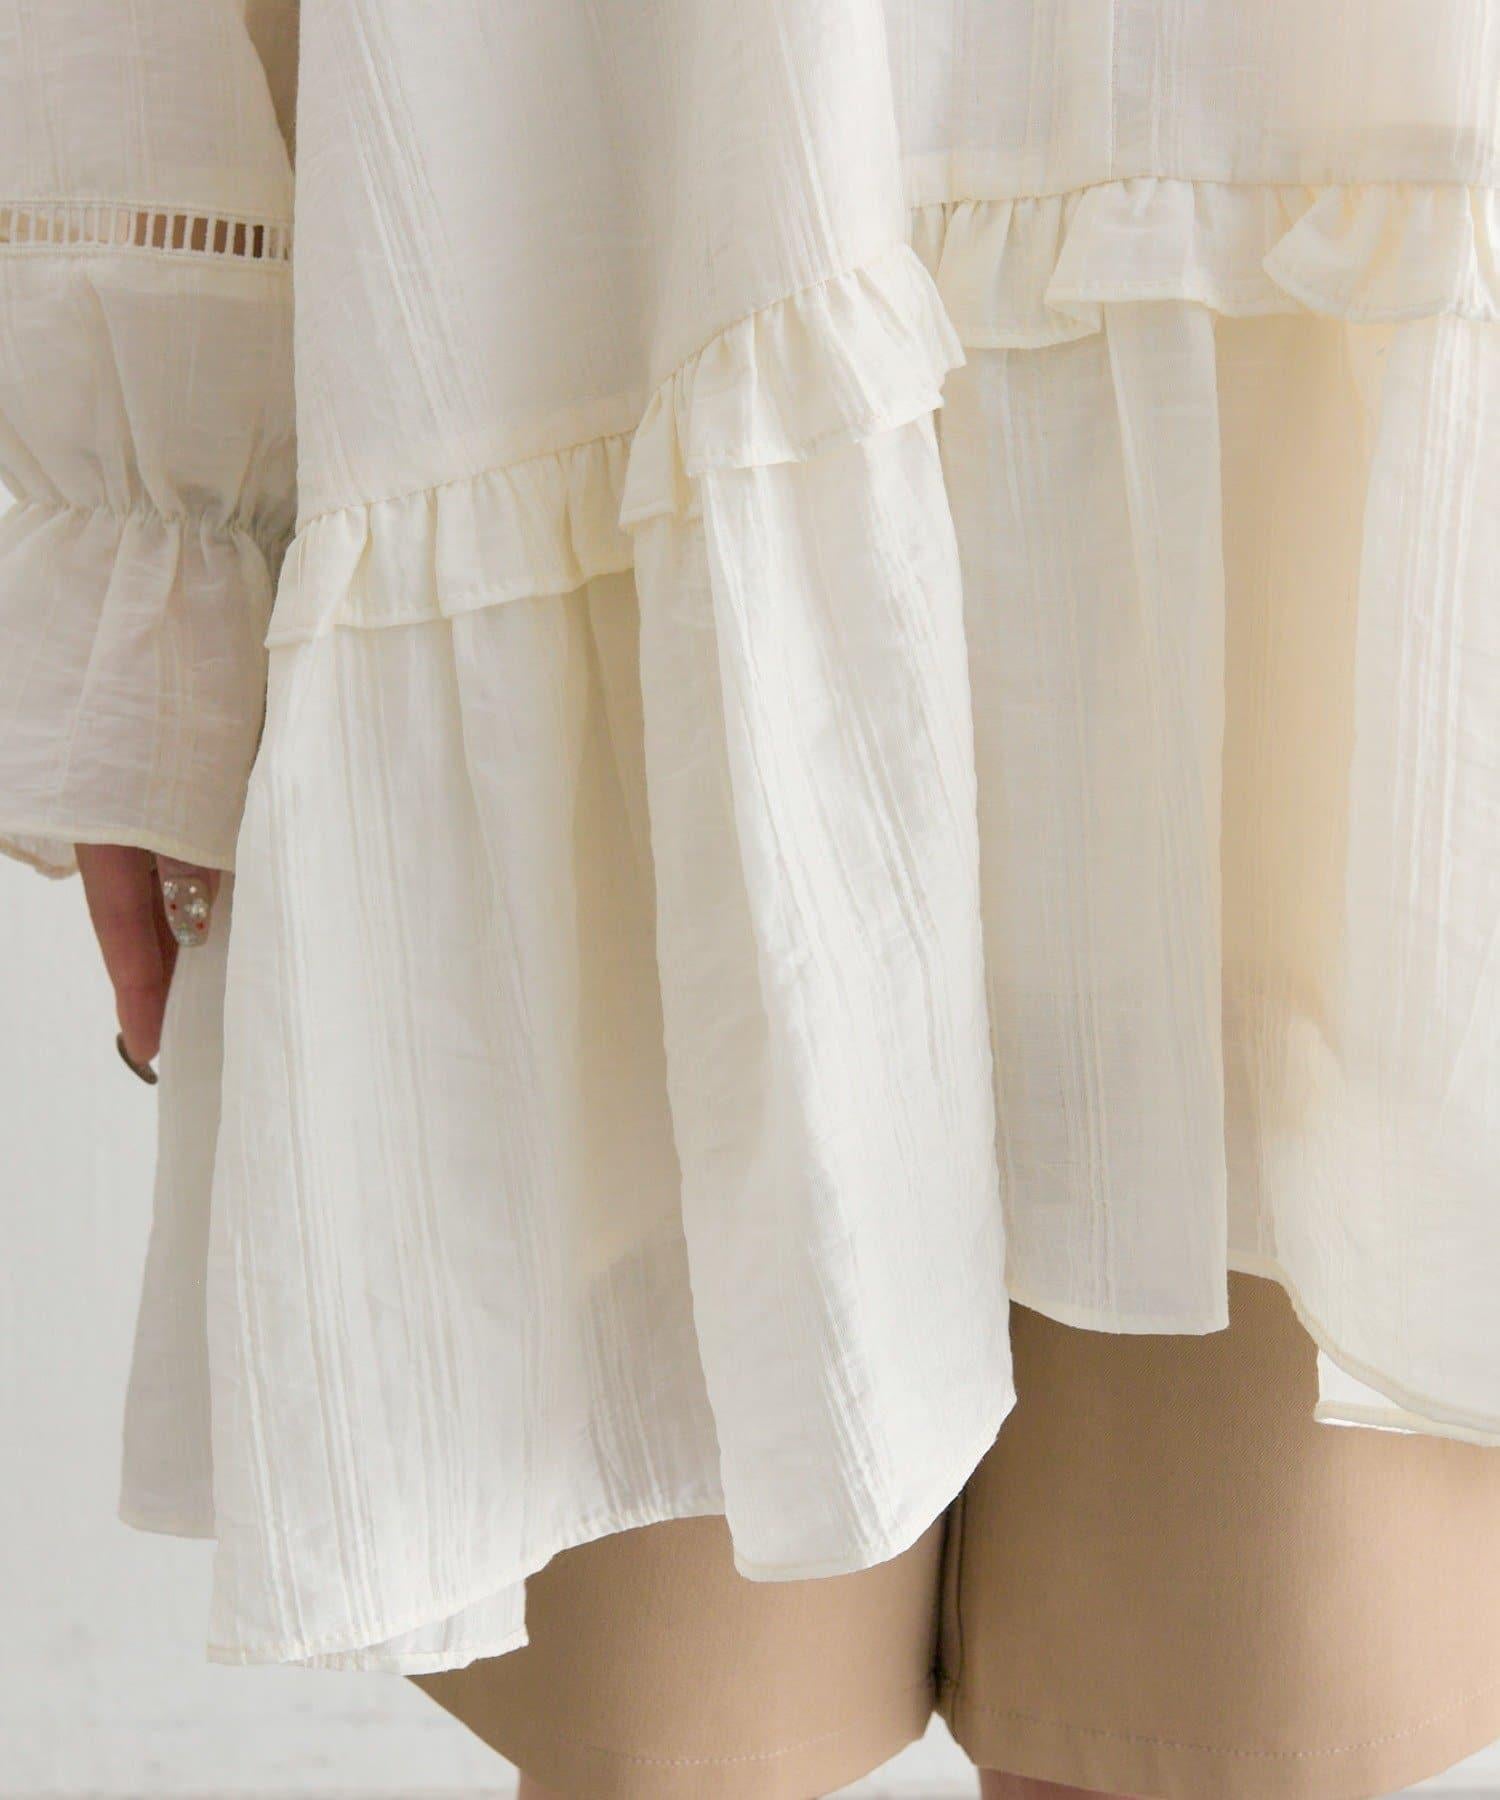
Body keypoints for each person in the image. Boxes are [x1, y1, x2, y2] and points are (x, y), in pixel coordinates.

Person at [2, 4, 1496, 1795]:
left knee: (1214, 1717)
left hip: (1330, 191)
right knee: (692, 1732)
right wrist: (154, 540)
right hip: (609, 212)